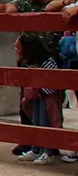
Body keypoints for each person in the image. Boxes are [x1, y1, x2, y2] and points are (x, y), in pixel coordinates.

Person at [16, 34, 63, 166]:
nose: (16, 50)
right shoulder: (28, 62)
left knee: (45, 123)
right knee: (35, 121)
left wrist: (42, 91)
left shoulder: (48, 62)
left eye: (18, 47)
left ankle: (47, 152)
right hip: (35, 95)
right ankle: (36, 149)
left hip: (47, 97)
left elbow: (55, 82)